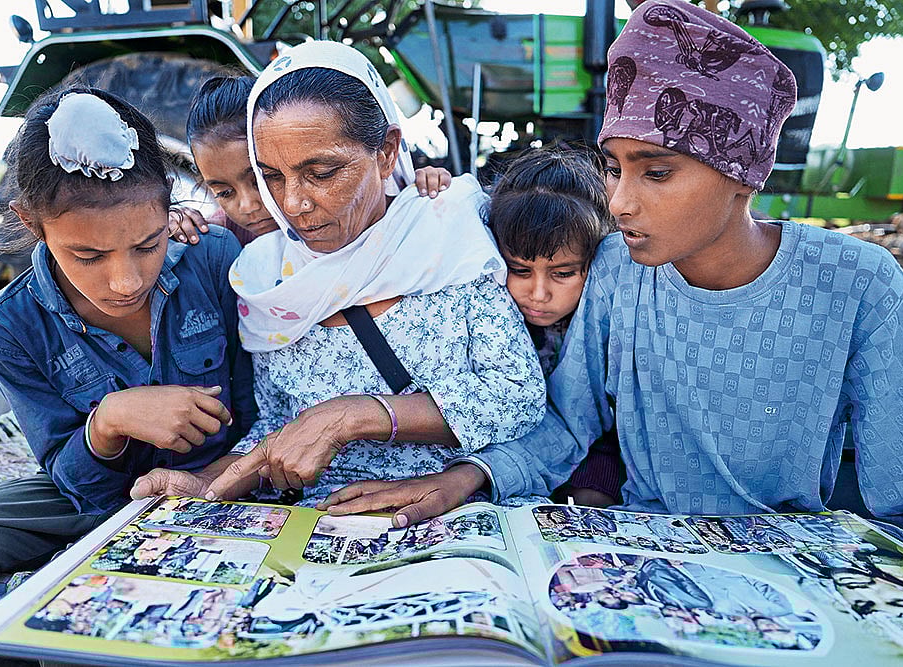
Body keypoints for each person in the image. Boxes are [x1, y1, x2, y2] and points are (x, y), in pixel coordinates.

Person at [321, 0, 903, 542]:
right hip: (640, 553)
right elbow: (566, 423)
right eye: (613, 168)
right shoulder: (618, 269)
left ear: (744, 174)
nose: (618, 203)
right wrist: (461, 481)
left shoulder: (858, 283)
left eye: (656, 172)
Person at [133, 40, 546, 514]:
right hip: (326, 525)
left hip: (458, 514)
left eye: (322, 172)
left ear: (387, 152)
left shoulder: (448, 237)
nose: (292, 204)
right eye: (271, 175)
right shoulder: (267, 277)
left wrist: (355, 415)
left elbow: (518, 396)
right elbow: (279, 427)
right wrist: (205, 482)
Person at [0, 87, 255, 660]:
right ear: (32, 224)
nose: (126, 280)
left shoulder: (212, 257)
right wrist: (109, 423)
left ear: (170, 207)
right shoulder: (8, 327)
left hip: (235, 479)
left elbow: (267, 405)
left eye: (147, 244)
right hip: (101, 502)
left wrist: (219, 476)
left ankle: (45, 590)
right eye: (88, 257)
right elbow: (76, 484)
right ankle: (29, 592)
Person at [484, 143, 620, 506]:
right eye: (519, 270)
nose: (538, 293)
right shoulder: (488, 317)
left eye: (562, 273)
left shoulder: (611, 318)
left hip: (595, 449)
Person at [169, 74, 452, 247]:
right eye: (224, 192)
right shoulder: (222, 239)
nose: (248, 207)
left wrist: (423, 184)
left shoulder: (371, 213)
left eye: (264, 178)